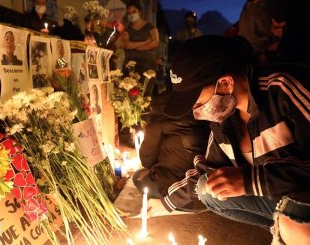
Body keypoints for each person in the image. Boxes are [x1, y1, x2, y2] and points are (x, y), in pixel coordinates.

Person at [159, 35, 310, 243]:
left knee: (293, 211)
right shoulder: (225, 118)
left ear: (225, 83)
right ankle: (285, 229)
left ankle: (293, 228)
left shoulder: (283, 90)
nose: (194, 111)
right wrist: (165, 203)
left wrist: (251, 181)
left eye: (195, 102)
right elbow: (207, 169)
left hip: (302, 197)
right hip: (282, 198)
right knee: (208, 187)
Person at [132, 91, 210, 210]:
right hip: (207, 193)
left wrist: (152, 169)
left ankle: (162, 203)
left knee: (137, 176)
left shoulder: (158, 123)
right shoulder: (204, 117)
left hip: (176, 194)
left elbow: (146, 159)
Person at [121, 1, 159, 96]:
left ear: (140, 12)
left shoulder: (150, 27)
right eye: (129, 13)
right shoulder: (126, 30)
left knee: (146, 93)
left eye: (134, 12)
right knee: (130, 93)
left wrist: (134, 46)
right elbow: (126, 45)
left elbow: (155, 43)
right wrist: (146, 42)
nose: (131, 15)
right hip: (131, 64)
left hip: (148, 64)